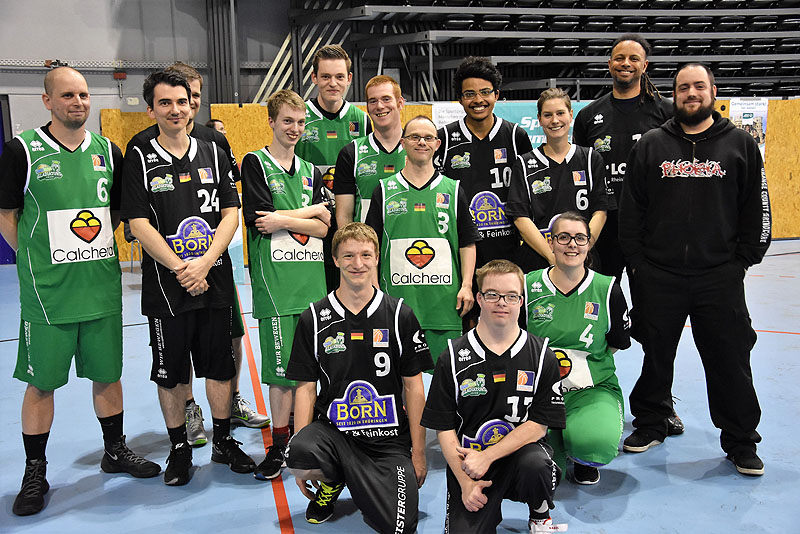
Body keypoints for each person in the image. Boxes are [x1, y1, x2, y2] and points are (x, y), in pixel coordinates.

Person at [0, 66, 160, 516]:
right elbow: (7, 212)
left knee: (108, 374)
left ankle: (115, 450)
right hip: (48, 295)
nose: (79, 102)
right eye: (68, 94)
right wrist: (35, 258)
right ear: (47, 100)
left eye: (85, 94)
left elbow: (115, 213)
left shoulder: (109, 151)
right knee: (41, 383)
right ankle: (35, 471)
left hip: (101, 289)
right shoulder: (22, 151)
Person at [618, 63, 772, 476]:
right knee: (656, 355)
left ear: (712, 91)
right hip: (659, 275)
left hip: (718, 276)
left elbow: (756, 209)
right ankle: (651, 422)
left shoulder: (739, 143)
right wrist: (638, 265)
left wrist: (742, 260)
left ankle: (741, 442)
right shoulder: (651, 144)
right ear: (675, 94)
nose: (691, 93)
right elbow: (632, 210)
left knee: (730, 360)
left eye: (698, 87)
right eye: (683, 87)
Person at [122, 70, 255, 486]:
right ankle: (180, 448)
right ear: (151, 109)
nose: (175, 109)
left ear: (191, 103)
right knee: (172, 371)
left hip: (214, 278)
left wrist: (207, 261)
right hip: (167, 285)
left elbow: (232, 212)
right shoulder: (140, 153)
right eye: (165, 103)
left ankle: (223, 440)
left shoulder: (214, 149)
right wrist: (182, 268)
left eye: (182, 101)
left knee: (219, 366)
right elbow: (138, 222)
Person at [285, 222, 432, 531]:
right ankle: (333, 479)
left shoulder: (399, 314)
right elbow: (305, 389)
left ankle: (351, 478)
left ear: (377, 257)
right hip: (336, 434)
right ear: (335, 259)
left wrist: (418, 452)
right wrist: (300, 455)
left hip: (388, 440)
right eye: (348, 256)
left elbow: (414, 388)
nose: (358, 264)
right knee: (299, 453)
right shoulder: (313, 317)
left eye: (366, 255)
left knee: (400, 526)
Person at [572, 35, 684, 438]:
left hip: (650, 233)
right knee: (592, 316)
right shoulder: (589, 116)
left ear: (645, 65)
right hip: (601, 231)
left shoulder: (665, 112)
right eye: (619, 57)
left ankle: (660, 404)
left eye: (633, 57)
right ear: (609, 64)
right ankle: (584, 393)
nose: (625, 63)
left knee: (657, 321)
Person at [421, 259, 567, 533]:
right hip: (470, 464)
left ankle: (540, 513)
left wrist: (489, 455)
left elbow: (539, 424)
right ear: (479, 298)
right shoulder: (452, 356)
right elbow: (443, 426)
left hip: (519, 455)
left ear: (521, 301)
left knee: (537, 465)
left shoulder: (541, 355)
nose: (503, 302)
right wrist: (465, 483)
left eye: (511, 296)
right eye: (493, 295)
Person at [240, 89, 330, 480]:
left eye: (300, 122)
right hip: (276, 289)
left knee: (312, 374)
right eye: (287, 121)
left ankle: (305, 442)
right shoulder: (254, 163)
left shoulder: (311, 171)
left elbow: (327, 228)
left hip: (313, 287)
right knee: (280, 377)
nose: (294, 129)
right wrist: (310, 213)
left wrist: (288, 218)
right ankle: (278, 446)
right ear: (272, 122)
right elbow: (260, 220)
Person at [525, 212, 630, 485]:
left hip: (591, 390)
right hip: (535, 393)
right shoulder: (527, 285)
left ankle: (581, 450)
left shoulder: (607, 289)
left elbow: (616, 343)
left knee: (593, 443)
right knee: (541, 469)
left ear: (589, 244)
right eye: (563, 237)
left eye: (580, 238)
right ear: (550, 242)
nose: (572, 244)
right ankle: (558, 440)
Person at [365, 116, 480, 361]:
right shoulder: (384, 190)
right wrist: (374, 289)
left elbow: (467, 243)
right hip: (395, 307)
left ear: (437, 144)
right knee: (399, 384)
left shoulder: (453, 189)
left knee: (443, 385)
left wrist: (467, 285)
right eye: (415, 137)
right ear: (403, 143)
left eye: (428, 138)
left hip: (445, 307)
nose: (422, 142)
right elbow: (370, 247)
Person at [434, 57, 533, 329]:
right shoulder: (444, 140)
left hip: (508, 253)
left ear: (497, 95)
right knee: (466, 333)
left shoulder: (516, 137)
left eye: (485, 92)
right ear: (459, 99)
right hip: (462, 256)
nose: (478, 100)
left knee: (511, 328)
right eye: (469, 94)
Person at [294, 44, 371, 292]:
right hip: (311, 224)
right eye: (325, 76)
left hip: (350, 226)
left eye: (339, 77)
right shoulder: (299, 117)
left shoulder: (361, 119)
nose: (332, 83)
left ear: (349, 79)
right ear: (314, 77)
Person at [507, 88, 608, 272]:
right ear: (539, 119)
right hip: (539, 260)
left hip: (584, 259)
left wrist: (580, 250)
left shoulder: (590, 158)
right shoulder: (524, 163)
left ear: (571, 115)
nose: (554, 120)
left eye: (560, 113)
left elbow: (600, 212)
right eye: (548, 115)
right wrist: (552, 257)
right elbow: (521, 218)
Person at [334, 75, 406, 227]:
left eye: (386, 99)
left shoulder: (419, 149)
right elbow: (344, 216)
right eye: (373, 101)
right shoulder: (351, 154)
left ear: (400, 103)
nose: (379, 106)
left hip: (406, 244)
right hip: (366, 247)